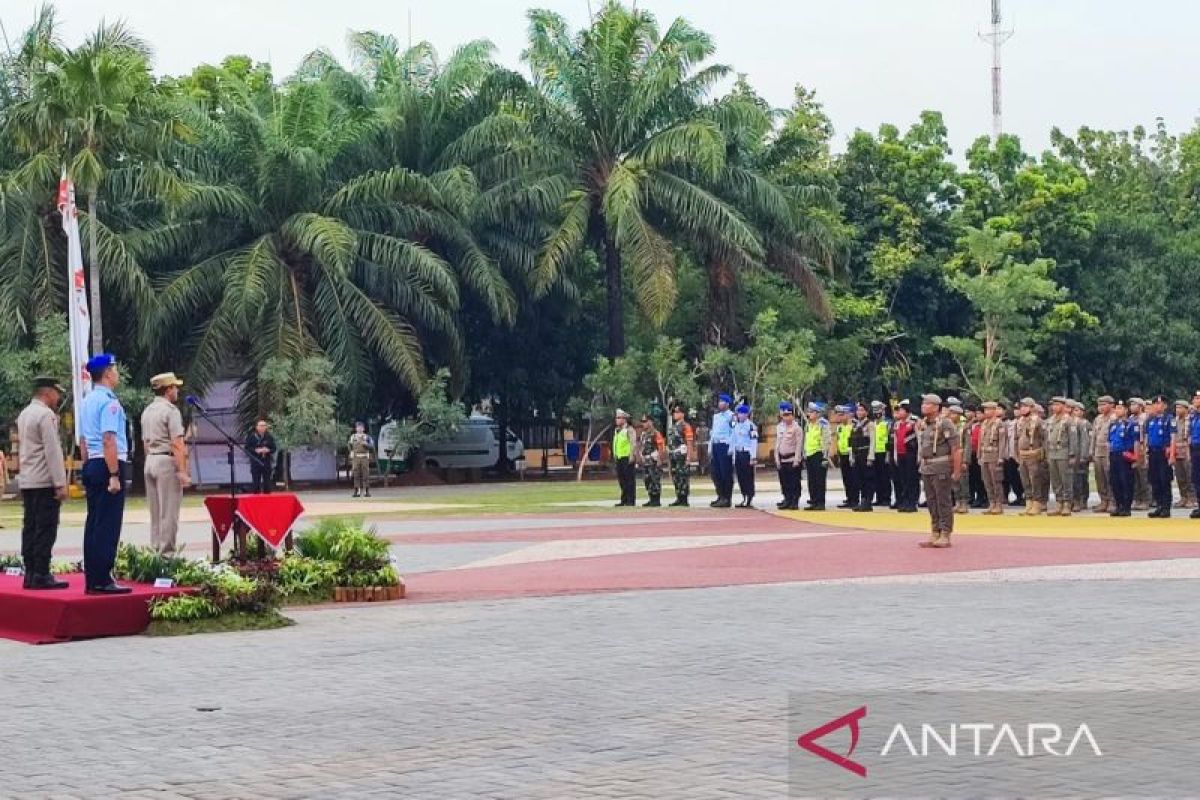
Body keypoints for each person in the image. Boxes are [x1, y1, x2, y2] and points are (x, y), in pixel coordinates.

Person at [78, 354, 132, 594]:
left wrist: (88, 466)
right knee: (107, 524)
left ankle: (93, 577)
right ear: (108, 374)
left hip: (92, 464)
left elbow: (82, 441)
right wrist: (113, 474)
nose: (117, 373)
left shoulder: (87, 400)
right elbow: (109, 438)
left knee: (94, 522)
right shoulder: (109, 402)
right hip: (108, 464)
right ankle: (102, 578)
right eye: (115, 369)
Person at [16, 377, 69, 590]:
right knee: (45, 528)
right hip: (44, 480)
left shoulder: (25, 414)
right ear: (48, 393)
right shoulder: (46, 415)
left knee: (30, 526)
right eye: (57, 393)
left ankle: (30, 572)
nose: (58, 397)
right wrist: (60, 482)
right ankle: (41, 572)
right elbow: (52, 451)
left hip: (28, 479)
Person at [141, 372, 191, 556]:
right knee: (169, 512)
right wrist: (183, 471)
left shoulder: (148, 411)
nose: (177, 390)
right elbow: (177, 443)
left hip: (151, 459)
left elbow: (145, 443)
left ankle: (155, 552)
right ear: (168, 389)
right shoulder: (171, 411)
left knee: (155, 513)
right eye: (175, 387)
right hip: (166, 461)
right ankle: (167, 556)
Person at [916, 394, 962, 548]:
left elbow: (956, 449)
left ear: (936, 407)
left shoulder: (945, 424)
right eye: (923, 403)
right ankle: (935, 530)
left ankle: (945, 533)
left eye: (927, 403)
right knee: (931, 501)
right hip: (927, 467)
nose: (923, 405)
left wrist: (956, 470)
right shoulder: (925, 424)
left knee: (943, 501)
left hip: (941, 467)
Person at [1045, 397, 1077, 515]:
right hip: (1052, 453)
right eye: (1053, 405)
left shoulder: (1068, 420)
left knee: (1066, 479)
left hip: (1064, 452)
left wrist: (1072, 454)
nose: (1055, 407)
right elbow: (1046, 439)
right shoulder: (1050, 420)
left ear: (1063, 406)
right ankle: (1058, 502)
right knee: (1055, 480)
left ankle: (1067, 503)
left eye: (1057, 405)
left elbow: (1073, 439)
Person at [1016, 398, 1047, 516]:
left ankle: (1037, 503)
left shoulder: (1038, 421)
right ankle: (1028, 502)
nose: (1022, 408)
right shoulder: (1020, 421)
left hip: (1034, 454)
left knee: (1035, 480)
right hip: (1022, 454)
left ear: (1032, 407)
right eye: (1021, 406)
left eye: (1026, 406)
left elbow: (1044, 439)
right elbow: (1016, 439)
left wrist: (1043, 455)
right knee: (1025, 480)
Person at [1108, 401, 1138, 517]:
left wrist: (1135, 457)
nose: (1117, 410)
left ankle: (1126, 507)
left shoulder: (1131, 424)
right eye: (1116, 408)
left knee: (1126, 481)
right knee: (1115, 482)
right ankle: (1119, 505)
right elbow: (1110, 442)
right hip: (1114, 455)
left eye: (1120, 408)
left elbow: (1136, 441)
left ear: (1126, 410)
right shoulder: (1113, 424)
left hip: (1125, 455)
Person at [1145, 395, 1174, 518]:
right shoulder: (1150, 420)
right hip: (1152, 452)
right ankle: (1159, 505)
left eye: (1160, 404)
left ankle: (1166, 507)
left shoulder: (1169, 419)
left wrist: (1172, 455)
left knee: (1164, 480)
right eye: (1155, 404)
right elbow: (1147, 438)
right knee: (1154, 480)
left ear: (1165, 406)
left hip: (1164, 452)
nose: (1158, 406)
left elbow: (1173, 438)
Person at [890, 400, 920, 512]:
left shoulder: (913, 422)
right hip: (900, 454)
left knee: (911, 478)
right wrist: (895, 456)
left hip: (911, 454)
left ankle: (912, 502)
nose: (899, 412)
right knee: (903, 479)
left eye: (902, 410)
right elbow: (896, 441)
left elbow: (919, 439)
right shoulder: (897, 424)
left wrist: (919, 455)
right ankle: (904, 501)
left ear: (907, 412)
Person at [977, 401, 1006, 515]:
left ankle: (998, 504)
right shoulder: (984, 423)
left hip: (994, 455)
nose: (986, 412)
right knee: (987, 480)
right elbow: (980, 440)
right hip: (985, 455)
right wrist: (979, 454)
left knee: (996, 481)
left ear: (994, 410)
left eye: (988, 410)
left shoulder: (999, 423)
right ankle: (991, 503)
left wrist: (1001, 457)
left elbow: (1002, 441)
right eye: (985, 410)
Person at [802, 402, 831, 510]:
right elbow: (806, 440)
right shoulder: (808, 424)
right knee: (812, 480)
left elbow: (827, 441)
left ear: (817, 413)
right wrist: (804, 453)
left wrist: (825, 457)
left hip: (819, 454)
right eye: (808, 411)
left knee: (819, 480)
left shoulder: (823, 424)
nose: (809, 414)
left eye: (811, 412)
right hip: (810, 454)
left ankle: (820, 502)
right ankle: (813, 501)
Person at [708, 394, 736, 508]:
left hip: (725, 445)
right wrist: (710, 447)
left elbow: (734, 431)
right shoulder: (716, 416)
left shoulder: (732, 416)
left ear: (727, 404)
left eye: (722, 401)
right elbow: (713, 432)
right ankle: (720, 496)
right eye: (719, 401)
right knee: (716, 473)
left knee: (726, 473)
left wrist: (731, 447)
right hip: (716, 445)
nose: (720, 403)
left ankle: (727, 498)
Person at [774, 402, 802, 510]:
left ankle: (794, 501)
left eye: (788, 415)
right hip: (782, 459)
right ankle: (787, 499)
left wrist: (797, 460)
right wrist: (777, 458)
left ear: (793, 416)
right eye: (784, 415)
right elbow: (777, 444)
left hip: (792, 459)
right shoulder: (780, 427)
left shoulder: (797, 428)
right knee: (784, 481)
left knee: (794, 482)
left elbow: (799, 445)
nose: (786, 417)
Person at [1091, 396, 1115, 513]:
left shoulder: (1114, 418)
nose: (1100, 407)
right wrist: (1091, 451)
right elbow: (1094, 437)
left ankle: (1112, 501)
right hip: (1098, 452)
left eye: (1103, 405)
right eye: (1099, 405)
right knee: (1099, 478)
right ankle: (1103, 500)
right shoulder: (1098, 419)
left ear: (1111, 405)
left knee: (1109, 476)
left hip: (1109, 452)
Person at [731, 404, 758, 508]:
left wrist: (753, 457)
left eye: (742, 413)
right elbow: (734, 440)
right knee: (740, 477)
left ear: (747, 414)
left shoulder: (751, 426)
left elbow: (754, 442)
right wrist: (732, 454)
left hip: (747, 454)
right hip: (738, 453)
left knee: (748, 477)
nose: (739, 415)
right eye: (738, 413)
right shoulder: (736, 426)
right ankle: (744, 496)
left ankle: (749, 498)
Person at [666, 405, 694, 507]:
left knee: (683, 477)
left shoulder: (686, 426)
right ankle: (678, 497)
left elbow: (689, 442)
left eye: (677, 412)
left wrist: (689, 457)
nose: (675, 414)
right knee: (675, 476)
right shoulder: (673, 427)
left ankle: (684, 498)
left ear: (682, 414)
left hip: (682, 456)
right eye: (674, 412)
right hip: (674, 455)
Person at [849, 403, 875, 512]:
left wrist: (871, 456)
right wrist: (851, 456)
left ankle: (867, 501)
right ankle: (862, 500)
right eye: (858, 410)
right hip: (857, 454)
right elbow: (851, 442)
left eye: (861, 410)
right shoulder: (855, 425)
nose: (859, 412)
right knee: (858, 479)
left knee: (867, 479)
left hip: (866, 453)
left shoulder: (870, 424)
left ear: (866, 412)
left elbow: (873, 441)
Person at [1171, 400, 1196, 509]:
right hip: (1177, 452)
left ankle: (1192, 498)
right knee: (1180, 476)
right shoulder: (1175, 421)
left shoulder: (1190, 420)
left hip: (1187, 451)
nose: (1177, 410)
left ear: (1186, 409)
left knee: (1189, 476)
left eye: (1180, 408)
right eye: (1176, 408)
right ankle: (1183, 497)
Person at [637, 414, 666, 507]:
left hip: (653, 460)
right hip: (646, 461)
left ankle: (656, 500)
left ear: (650, 422)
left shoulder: (655, 433)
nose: (643, 424)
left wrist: (660, 459)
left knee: (654, 480)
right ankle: (651, 498)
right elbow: (642, 446)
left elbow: (661, 447)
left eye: (645, 421)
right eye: (642, 422)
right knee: (647, 480)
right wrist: (640, 456)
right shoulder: (644, 434)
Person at [947, 403, 971, 514]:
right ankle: (957, 502)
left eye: (953, 413)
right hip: (950, 457)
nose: (951, 415)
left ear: (958, 414)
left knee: (963, 480)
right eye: (950, 413)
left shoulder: (964, 427)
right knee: (953, 481)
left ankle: (964, 502)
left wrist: (965, 460)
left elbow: (967, 445)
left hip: (961, 456)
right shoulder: (948, 427)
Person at [832, 405, 857, 508]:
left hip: (851, 455)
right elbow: (837, 440)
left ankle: (855, 499)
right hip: (842, 455)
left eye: (841, 415)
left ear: (848, 414)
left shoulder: (854, 426)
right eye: (838, 415)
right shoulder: (840, 427)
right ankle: (849, 498)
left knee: (853, 478)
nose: (839, 417)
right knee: (846, 478)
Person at [1069, 400, 1092, 510]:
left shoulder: (1084, 423)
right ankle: (1073, 500)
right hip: (1071, 454)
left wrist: (1084, 455)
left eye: (1077, 410)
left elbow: (1085, 440)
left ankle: (1082, 499)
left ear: (1082, 412)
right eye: (1073, 410)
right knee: (1072, 479)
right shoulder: (1070, 422)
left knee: (1081, 478)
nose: (1074, 412)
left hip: (1080, 454)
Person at [1129, 398, 1151, 510]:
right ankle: (1137, 499)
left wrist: (1145, 450)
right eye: (1131, 404)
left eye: (1134, 404)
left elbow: (1146, 435)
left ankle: (1146, 500)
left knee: (1143, 476)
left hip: (1142, 449)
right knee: (1135, 476)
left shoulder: (1145, 418)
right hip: (1132, 449)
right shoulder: (1131, 419)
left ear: (1140, 406)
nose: (1131, 407)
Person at [245, 420, 277, 494]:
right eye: (261, 426)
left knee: (267, 482)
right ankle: (256, 498)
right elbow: (247, 448)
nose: (263, 427)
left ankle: (267, 499)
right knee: (256, 482)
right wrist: (256, 450)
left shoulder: (269, 437)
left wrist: (268, 450)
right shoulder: (252, 437)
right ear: (257, 427)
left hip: (266, 462)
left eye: (264, 426)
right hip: (256, 462)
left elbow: (274, 448)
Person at [612, 409, 636, 507]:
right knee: (621, 480)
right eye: (616, 418)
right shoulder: (617, 430)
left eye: (618, 418)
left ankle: (630, 500)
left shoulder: (629, 430)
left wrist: (632, 455)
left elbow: (633, 443)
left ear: (624, 419)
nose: (616, 420)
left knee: (629, 480)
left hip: (627, 457)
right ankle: (624, 499)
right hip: (619, 457)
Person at [1001, 401, 1024, 507]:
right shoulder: (1011, 423)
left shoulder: (1024, 422)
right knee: (1012, 477)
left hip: (1022, 454)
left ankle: (1025, 497)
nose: (1016, 411)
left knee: (1023, 477)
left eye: (1018, 408)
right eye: (1015, 409)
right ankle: (1018, 496)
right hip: (1011, 454)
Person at [870, 401, 892, 507]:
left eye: (878, 410)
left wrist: (888, 454)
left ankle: (886, 498)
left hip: (884, 452)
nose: (876, 412)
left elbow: (889, 439)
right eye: (874, 410)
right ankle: (879, 498)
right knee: (876, 477)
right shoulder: (873, 423)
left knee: (885, 477)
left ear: (883, 411)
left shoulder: (887, 423)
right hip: (875, 452)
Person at [349, 421, 375, 498]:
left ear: (363, 429)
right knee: (356, 473)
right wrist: (351, 452)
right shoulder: (353, 437)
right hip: (356, 457)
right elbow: (349, 445)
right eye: (358, 427)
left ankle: (367, 491)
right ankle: (356, 490)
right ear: (356, 428)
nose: (359, 429)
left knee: (365, 474)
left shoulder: (367, 437)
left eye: (361, 427)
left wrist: (366, 444)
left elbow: (372, 446)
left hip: (364, 457)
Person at [1190, 391, 1200, 519]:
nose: (1195, 400)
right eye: (1195, 398)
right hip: (1195, 449)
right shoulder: (1194, 417)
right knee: (1197, 479)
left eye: (1198, 398)